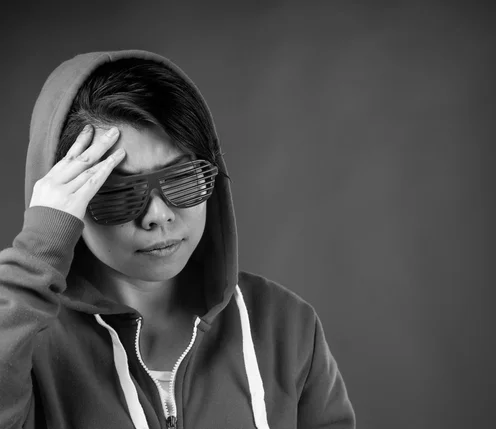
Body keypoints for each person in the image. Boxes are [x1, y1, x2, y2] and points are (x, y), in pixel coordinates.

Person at [0, 50, 355, 429]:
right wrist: (38, 247)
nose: (158, 215)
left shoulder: (285, 325)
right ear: (65, 197)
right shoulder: (27, 346)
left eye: (182, 178)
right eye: (118, 191)